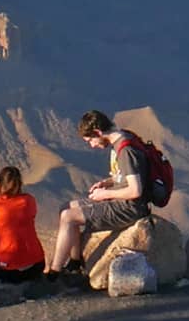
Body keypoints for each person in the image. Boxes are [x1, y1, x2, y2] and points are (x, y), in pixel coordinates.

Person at [48, 108, 170, 276]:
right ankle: (75, 262)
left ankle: (54, 272)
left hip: (130, 207)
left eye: (90, 140)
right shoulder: (123, 138)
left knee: (68, 217)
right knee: (65, 207)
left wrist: (104, 194)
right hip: (120, 199)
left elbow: (135, 190)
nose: (92, 145)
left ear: (98, 132)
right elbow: (126, 175)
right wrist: (107, 182)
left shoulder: (126, 150)